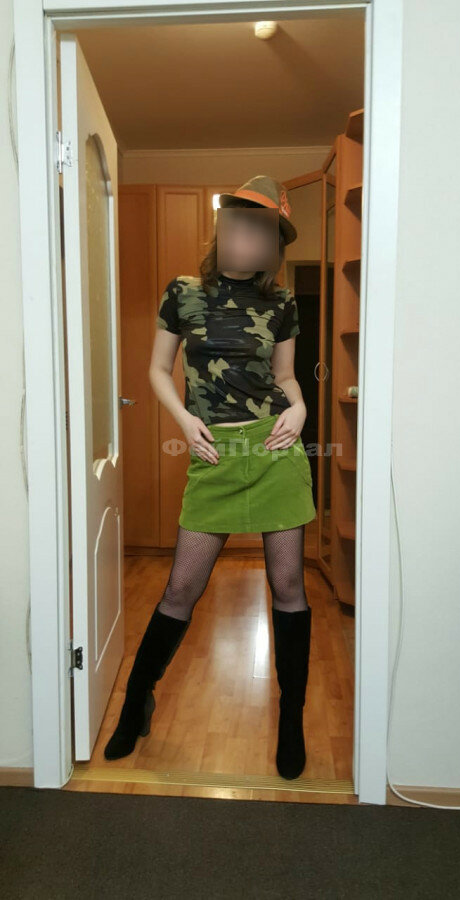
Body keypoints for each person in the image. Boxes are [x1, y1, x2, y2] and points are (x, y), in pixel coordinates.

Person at [104, 176, 316, 780]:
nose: (246, 238)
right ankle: (136, 702)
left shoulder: (282, 303)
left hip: (275, 449)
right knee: (181, 588)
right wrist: (184, 420)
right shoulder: (184, 292)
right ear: (221, 230)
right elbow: (157, 368)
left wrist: (300, 410)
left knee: (288, 586)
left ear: (274, 246)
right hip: (214, 455)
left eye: (261, 231)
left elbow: (287, 377)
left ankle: (293, 718)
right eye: (238, 224)